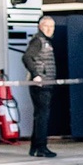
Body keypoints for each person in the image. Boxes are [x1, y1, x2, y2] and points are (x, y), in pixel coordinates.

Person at [22, 15, 57, 157]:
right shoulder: (38, 40)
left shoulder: (46, 41)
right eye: (46, 26)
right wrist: (36, 75)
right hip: (41, 84)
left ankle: (35, 147)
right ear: (40, 27)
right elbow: (26, 57)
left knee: (40, 115)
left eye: (52, 26)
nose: (49, 29)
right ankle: (41, 148)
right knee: (42, 116)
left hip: (46, 83)